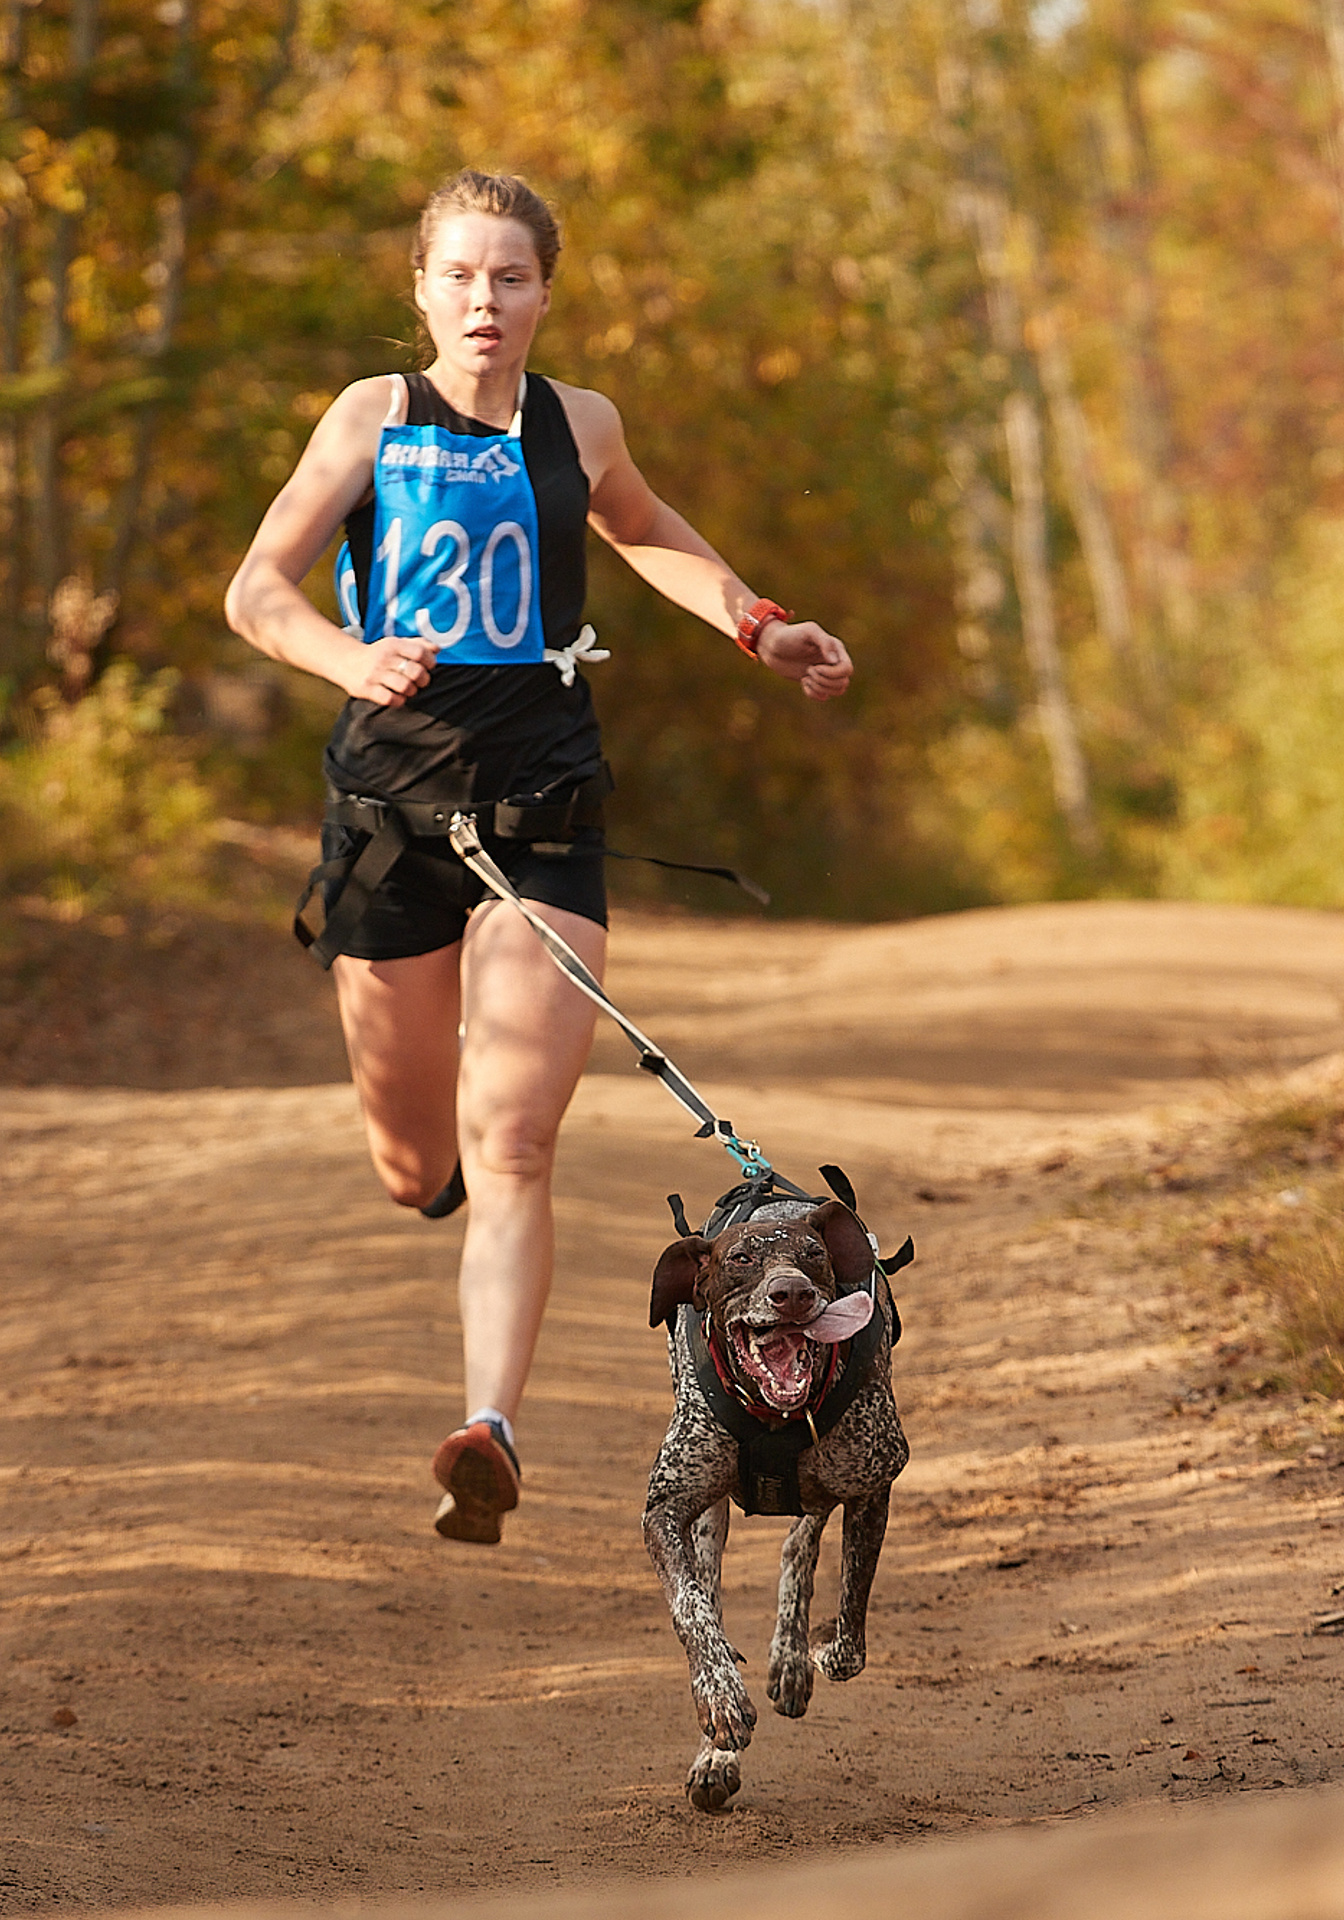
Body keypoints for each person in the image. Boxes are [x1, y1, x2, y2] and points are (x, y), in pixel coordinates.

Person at [224, 169, 851, 1545]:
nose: (484, 301)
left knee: (514, 1138)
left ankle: (487, 1428)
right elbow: (256, 587)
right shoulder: (371, 417)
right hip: (390, 815)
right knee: (416, 1164)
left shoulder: (581, 422)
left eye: (510, 277)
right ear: (422, 290)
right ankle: (431, 1171)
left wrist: (760, 624)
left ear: (545, 292)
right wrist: (347, 656)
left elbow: (646, 532)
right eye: (459, 276)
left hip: (544, 813)